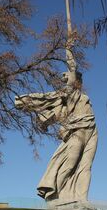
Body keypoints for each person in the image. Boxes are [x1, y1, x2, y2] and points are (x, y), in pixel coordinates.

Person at [15, 69, 98, 203]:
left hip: (92, 129)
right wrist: (68, 49)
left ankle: (82, 199)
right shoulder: (71, 92)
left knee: (86, 166)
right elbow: (71, 67)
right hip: (77, 131)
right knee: (70, 164)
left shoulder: (82, 96)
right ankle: (53, 196)